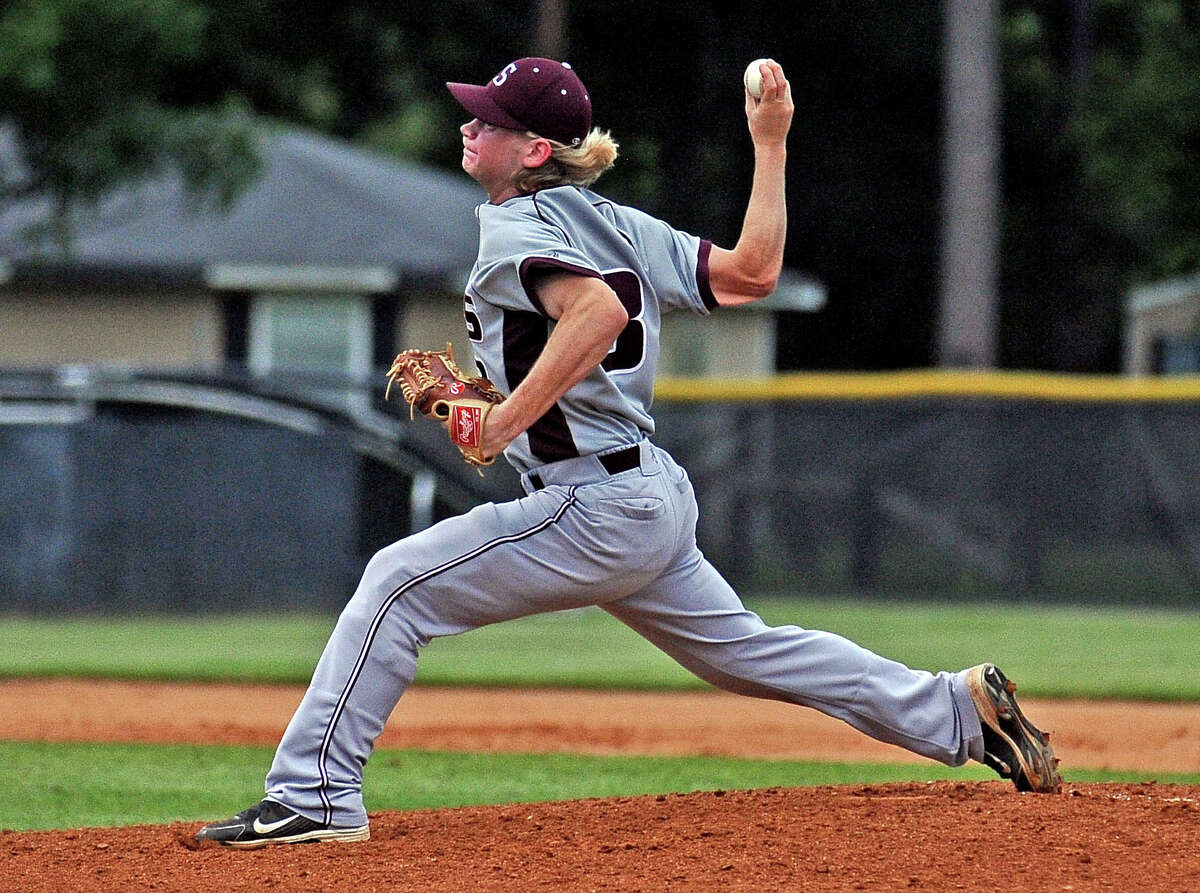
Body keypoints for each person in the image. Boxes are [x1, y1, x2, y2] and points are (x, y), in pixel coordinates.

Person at [197, 57, 1061, 847]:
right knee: (753, 651)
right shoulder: (611, 221)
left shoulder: (513, 229)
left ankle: (312, 794)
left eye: (490, 120)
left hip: (595, 506)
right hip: (643, 493)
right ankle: (957, 710)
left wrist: (500, 422)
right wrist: (770, 145)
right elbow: (754, 272)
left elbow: (598, 317)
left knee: (395, 582)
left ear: (535, 150)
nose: (469, 126)